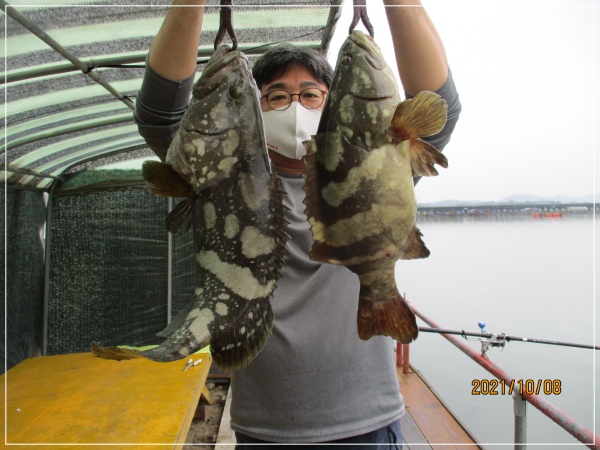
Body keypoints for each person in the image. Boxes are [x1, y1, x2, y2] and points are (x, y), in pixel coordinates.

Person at [134, 1, 461, 448]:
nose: (294, 106)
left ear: (332, 105)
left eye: (310, 95)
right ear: (255, 108)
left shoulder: (373, 169)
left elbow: (441, 106)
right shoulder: (217, 177)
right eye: (276, 96)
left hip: (368, 422)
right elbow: (159, 115)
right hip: (263, 431)